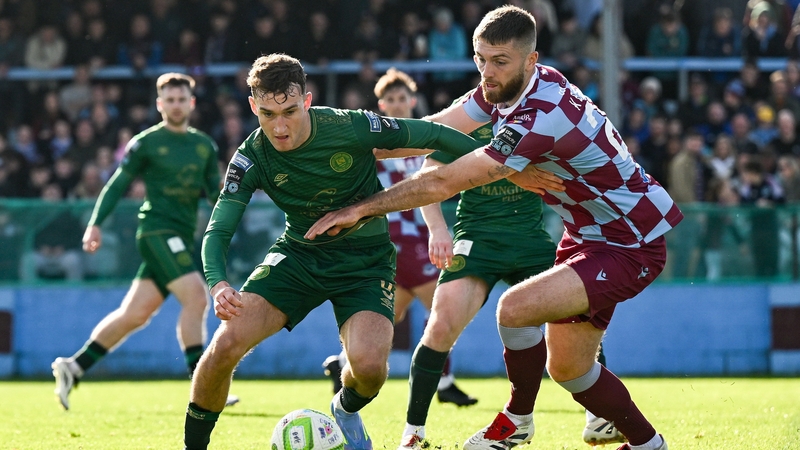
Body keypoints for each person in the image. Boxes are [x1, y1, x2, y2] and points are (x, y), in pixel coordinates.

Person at [305, 6, 683, 450]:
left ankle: (516, 421)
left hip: (631, 242)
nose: (487, 72)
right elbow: (434, 131)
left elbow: (445, 179)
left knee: (514, 308)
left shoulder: (540, 113)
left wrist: (360, 209)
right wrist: (344, 147)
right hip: (586, 236)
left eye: (499, 61)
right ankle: (647, 444)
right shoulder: (504, 90)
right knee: (569, 369)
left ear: (531, 60)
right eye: (480, 59)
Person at [183, 53, 487, 450]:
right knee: (223, 346)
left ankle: (344, 408)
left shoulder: (351, 126)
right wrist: (218, 282)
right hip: (299, 256)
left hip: (366, 262)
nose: (279, 126)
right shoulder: (251, 155)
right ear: (253, 106)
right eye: (268, 113)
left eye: (290, 111)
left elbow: (434, 135)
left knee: (369, 370)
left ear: (307, 101)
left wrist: (507, 167)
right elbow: (219, 227)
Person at [396, 90, 622, 447]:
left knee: (580, 318)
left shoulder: (541, 119)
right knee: (440, 326)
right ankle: (413, 434)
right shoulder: (468, 121)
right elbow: (429, 175)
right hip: (477, 241)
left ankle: (599, 418)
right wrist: (438, 229)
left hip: (531, 241)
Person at [50, 73, 223, 411]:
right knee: (197, 298)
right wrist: (95, 224)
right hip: (156, 232)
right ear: (159, 105)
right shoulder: (145, 142)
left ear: (192, 102)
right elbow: (117, 184)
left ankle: (74, 366)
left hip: (181, 238)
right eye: (169, 100)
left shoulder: (204, 145)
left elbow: (216, 195)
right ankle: (202, 386)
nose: (175, 105)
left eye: (181, 99)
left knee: (134, 314)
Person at [322, 68, 477, 408]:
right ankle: (445, 381)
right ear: (381, 104)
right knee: (443, 308)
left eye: (401, 98)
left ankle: (343, 362)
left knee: (393, 316)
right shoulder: (375, 145)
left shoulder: (426, 139)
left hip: (420, 240)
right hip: (393, 243)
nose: (396, 104)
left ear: (413, 100)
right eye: (389, 99)